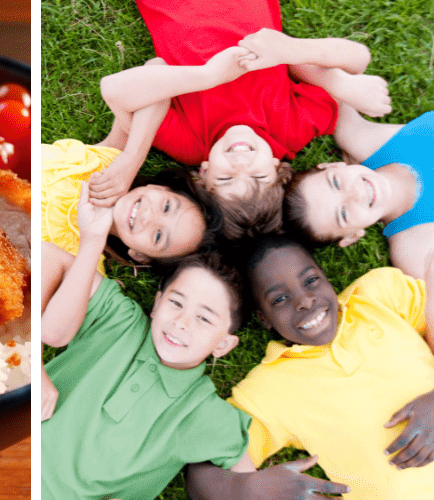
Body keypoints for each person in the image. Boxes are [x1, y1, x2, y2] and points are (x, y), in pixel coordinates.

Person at [93, 0, 391, 240]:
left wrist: (207, 76)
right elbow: (358, 57)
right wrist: (338, 83)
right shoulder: (289, 132)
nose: (240, 164)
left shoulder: (193, 146)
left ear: (203, 175)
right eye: (258, 177)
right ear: (277, 169)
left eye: (225, 179)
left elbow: (126, 86)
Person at [40, 184, 250, 500]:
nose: (181, 322)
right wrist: (35, 371)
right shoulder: (120, 321)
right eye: (176, 303)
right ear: (156, 303)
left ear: (223, 345)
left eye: (204, 318)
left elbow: (250, 481)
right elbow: (47, 257)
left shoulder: (200, 411)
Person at [187, 236, 434, 499]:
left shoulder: (381, 296)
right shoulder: (271, 388)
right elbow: (201, 466)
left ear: (325, 277)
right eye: (280, 298)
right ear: (263, 318)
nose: (304, 300)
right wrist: (247, 488)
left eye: (311, 281)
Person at [283, 103, 434, 350]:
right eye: (343, 213)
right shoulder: (413, 247)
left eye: (335, 183)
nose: (355, 193)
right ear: (352, 236)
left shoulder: (362, 138)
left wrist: (345, 84)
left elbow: (312, 71)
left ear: (332, 166)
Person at [42, 94, 216, 267]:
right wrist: (131, 158)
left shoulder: (83, 264)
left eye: (158, 236)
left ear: (140, 256)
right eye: (167, 206)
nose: (149, 216)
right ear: (160, 188)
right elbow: (151, 84)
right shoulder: (110, 163)